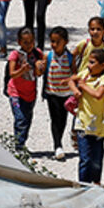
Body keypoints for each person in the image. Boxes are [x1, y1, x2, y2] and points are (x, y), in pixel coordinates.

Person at [71, 48, 104, 185]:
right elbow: (71, 79)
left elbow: (98, 95)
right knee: (85, 158)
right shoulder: (86, 73)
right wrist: (75, 90)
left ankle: (96, 183)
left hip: (99, 125)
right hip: (83, 123)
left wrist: (82, 86)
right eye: (88, 62)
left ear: (103, 65)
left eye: (92, 62)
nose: (88, 65)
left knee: (97, 158)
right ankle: (83, 185)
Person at [6, 27, 45, 151]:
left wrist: (40, 66)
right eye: (25, 42)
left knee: (27, 120)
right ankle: (18, 147)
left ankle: (21, 143)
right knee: (20, 119)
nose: (29, 45)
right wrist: (22, 70)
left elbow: (39, 73)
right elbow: (12, 74)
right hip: (15, 93)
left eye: (31, 42)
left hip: (30, 94)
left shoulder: (37, 53)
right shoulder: (15, 55)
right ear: (19, 42)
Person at [43, 26, 77, 161]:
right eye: (52, 41)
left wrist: (70, 82)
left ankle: (59, 142)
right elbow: (41, 72)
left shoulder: (70, 57)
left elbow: (74, 74)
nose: (54, 45)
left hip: (66, 94)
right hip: (52, 93)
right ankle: (57, 145)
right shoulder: (48, 56)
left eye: (57, 42)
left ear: (65, 42)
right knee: (54, 119)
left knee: (62, 119)